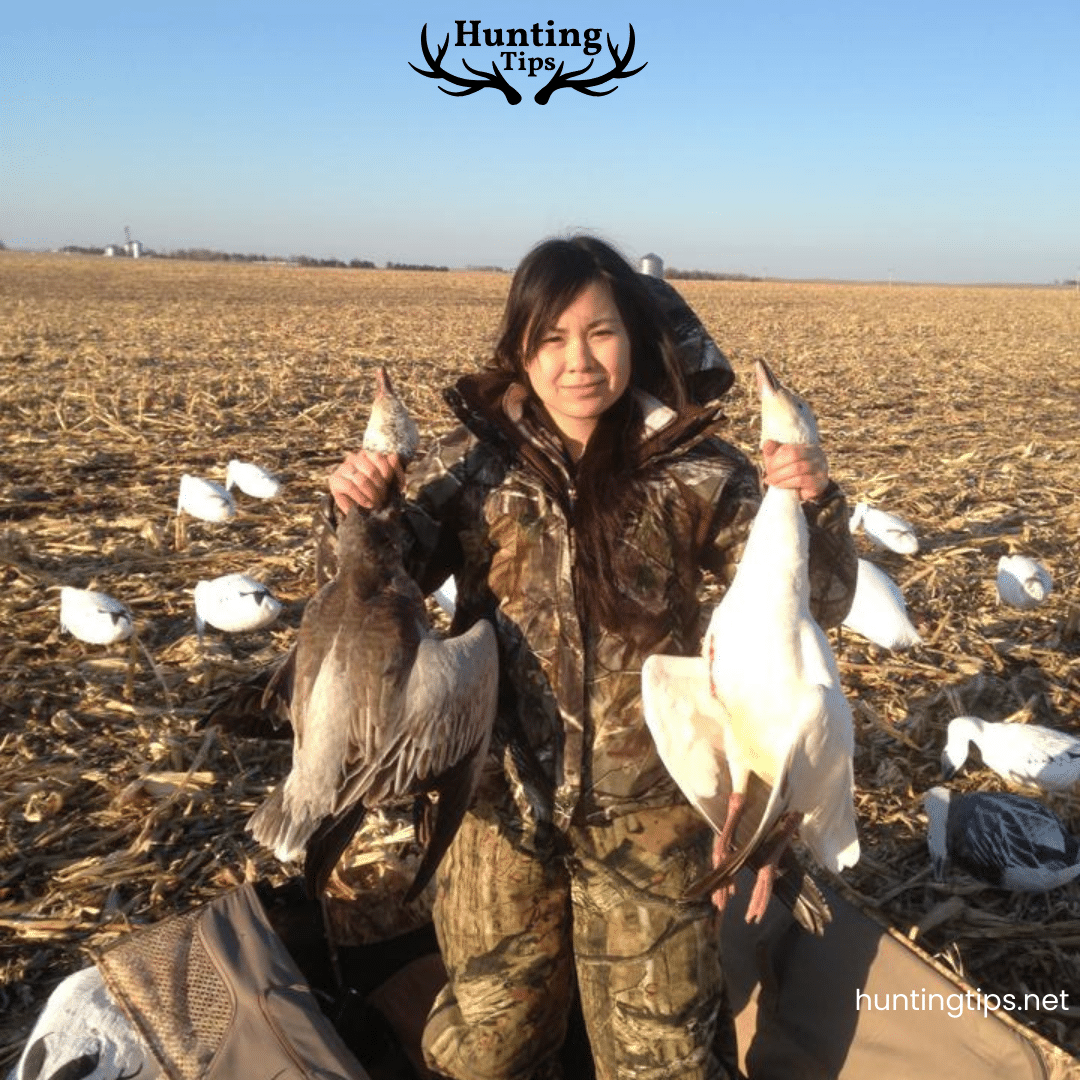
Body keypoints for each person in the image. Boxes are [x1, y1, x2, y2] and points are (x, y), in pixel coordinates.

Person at [321, 235, 857, 1080]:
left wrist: (815, 506)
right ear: (521, 352)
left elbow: (814, 604)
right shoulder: (480, 474)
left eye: (600, 333)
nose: (578, 361)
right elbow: (381, 587)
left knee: (663, 1061)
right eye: (552, 339)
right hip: (500, 807)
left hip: (652, 820)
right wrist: (363, 512)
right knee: (491, 1050)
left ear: (634, 339)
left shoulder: (700, 476)